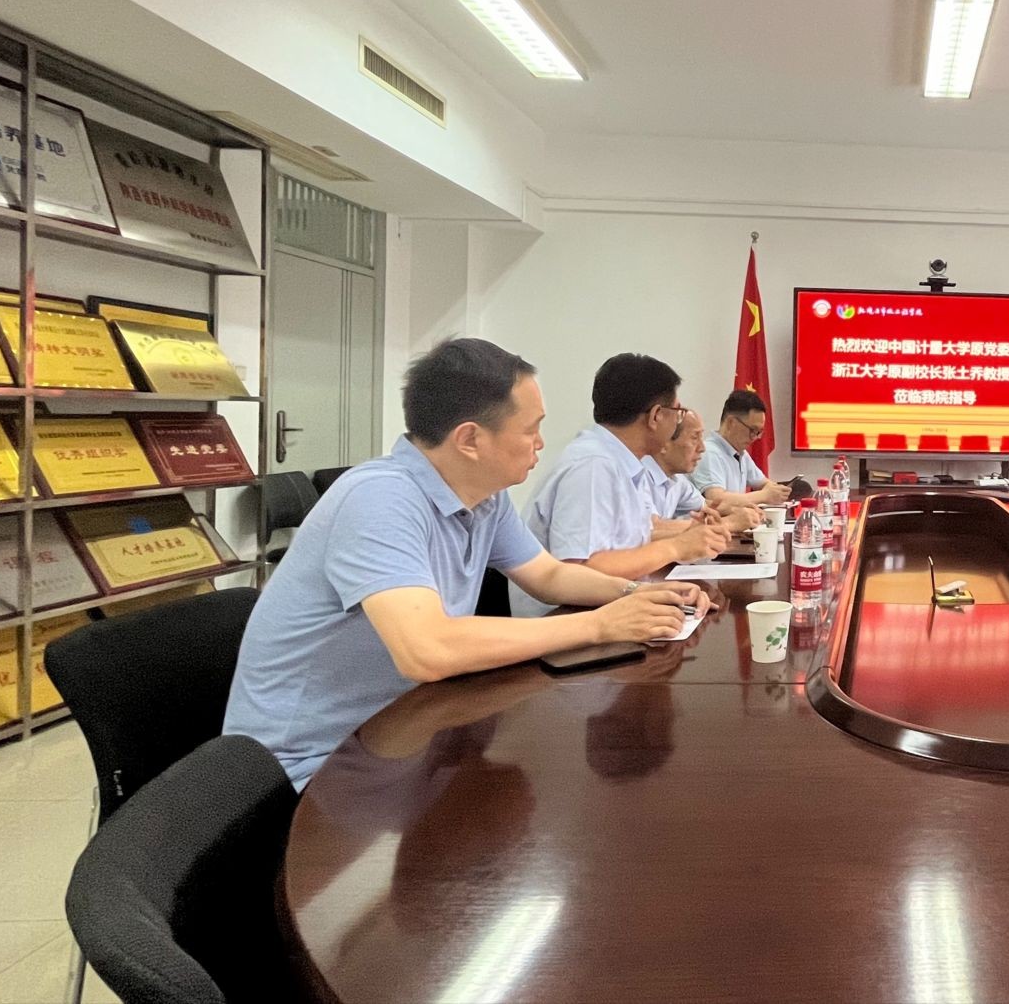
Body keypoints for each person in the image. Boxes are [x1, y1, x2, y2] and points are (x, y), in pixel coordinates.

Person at [223, 338, 707, 789]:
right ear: (470, 439)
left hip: (402, 735)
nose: (540, 443)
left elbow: (549, 575)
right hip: (308, 769)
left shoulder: (484, 498)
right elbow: (427, 648)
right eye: (531, 429)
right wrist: (600, 626)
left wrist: (637, 595)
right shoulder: (379, 499)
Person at [511, 354, 730, 614]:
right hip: (567, 620)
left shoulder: (627, 463)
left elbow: (631, 542)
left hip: (614, 606)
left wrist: (686, 536)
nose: (677, 422)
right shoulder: (593, 465)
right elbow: (581, 570)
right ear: (656, 416)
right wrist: (676, 547)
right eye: (677, 413)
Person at [645, 409, 759, 531]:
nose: (702, 448)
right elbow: (649, 529)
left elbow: (705, 505)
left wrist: (739, 510)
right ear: (664, 443)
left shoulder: (677, 478)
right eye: (694, 438)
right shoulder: (639, 475)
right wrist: (728, 523)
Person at [692, 389, 789, 513]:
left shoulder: (740, 453)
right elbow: (717, 500)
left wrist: (776, 490)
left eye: (759, 432)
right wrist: (764, 495)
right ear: (731, 422)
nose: (755, 437)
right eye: (752, 430)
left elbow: (764, 483)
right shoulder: (708, 453)